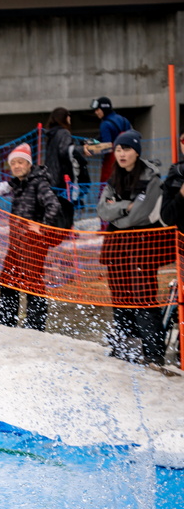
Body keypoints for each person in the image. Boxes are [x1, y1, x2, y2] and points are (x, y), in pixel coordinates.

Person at [96, 131, 168, 366]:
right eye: (118, 149)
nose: (121, 154)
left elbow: (139, 214)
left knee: (143, 298)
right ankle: (125, 345)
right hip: (117, 247)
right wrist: (125, 207)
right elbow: (102, 210)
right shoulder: (113, 177)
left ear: (136, 151)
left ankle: (153, 352)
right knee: (120, 297)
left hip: (143, 247)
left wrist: (119, 211)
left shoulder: (151, 178)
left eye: (126, 149)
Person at [0, 143, 62, 331]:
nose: (17, 166)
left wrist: (41, 226)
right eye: (13, 163)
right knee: (8, 278)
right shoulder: (18, 183)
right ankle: (6, 319)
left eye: (21, 162)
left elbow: (54, 205)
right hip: (17, 242)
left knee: (32, 282)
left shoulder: (39, 182)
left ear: (28, 164)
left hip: (33, 243)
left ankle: (35, 324)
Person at [41, 107, 87, 231]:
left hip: (51, 175)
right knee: (66, 205)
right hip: (63, 177)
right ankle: (66, 229)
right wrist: (82, 150)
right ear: (65, 117)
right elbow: (66, 151)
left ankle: (58, 229)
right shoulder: (64, 133)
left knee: (54, 205)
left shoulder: (51, 133)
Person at [84, 97, 133, 183]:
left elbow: (106, 147)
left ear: (104, 109)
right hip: (128, 160)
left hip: (112, 163)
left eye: (97, 110)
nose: (96, 112)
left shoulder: (105, 124)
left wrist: (89, 149)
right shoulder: (124, 120)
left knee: (106, 188)